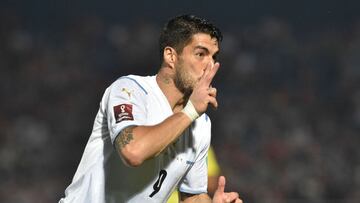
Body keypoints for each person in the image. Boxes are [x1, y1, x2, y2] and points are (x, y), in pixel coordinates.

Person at [59, 14, 242, 203]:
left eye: (214, 57)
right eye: (200, 54)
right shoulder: (129, 90)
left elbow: (192, 195)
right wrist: (190, 111)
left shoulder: (201, 124)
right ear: (171, 56)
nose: (210, 65)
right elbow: (133, 151)